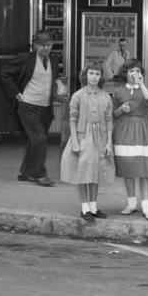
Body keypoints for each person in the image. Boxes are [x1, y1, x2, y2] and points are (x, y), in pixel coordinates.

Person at [0, 29, 66, 187]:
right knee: (40, 139)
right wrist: (16, 93)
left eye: (49, 45)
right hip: (28, 105)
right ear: (35, 45)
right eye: (42, 45)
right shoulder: (25, 59)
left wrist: (58, 90)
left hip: (45, 107)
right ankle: (39, 174)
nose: (46, 48)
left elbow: (53, 79)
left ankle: (25, 172)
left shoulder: (54, 60)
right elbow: (5, 73)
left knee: (34, 140)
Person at [112, 59, 148, 221]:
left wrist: (142, 84)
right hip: (124, 130)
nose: (135, 74)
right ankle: (131, 203)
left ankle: (146, 205)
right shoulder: (118, 92)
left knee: (144, 169)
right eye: (131, 70)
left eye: (138, 71)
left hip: (144, 129)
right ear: (126, 73)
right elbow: (112, 114)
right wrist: (120, 110)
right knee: (128, 167)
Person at [60, 62, 115, 220]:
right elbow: (72, 119)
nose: (94, 77)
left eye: (97, 74)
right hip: (83, 136)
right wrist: (75, 141)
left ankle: (93, 206)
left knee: (95, 172)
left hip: (100, 136)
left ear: (101, 77)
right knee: (83, 171)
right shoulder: (78, 95)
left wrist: (109, 142)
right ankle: (85, 208)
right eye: (91, 73)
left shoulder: (105, 96)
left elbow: (109, 120)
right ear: (85, 75)